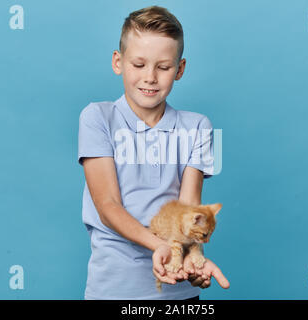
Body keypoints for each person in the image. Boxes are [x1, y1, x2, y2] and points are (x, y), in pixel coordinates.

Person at [78, 5, 229, 300]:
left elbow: (189, 210)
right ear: (118, 62)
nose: (150, 77)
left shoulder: (199, 126)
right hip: (113, 290)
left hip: (178, 292)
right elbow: (107, 206)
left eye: (163, 67)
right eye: (138, 64)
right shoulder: (96, 117)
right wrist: (158, 245)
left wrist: (192, 261)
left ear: (180, 69)